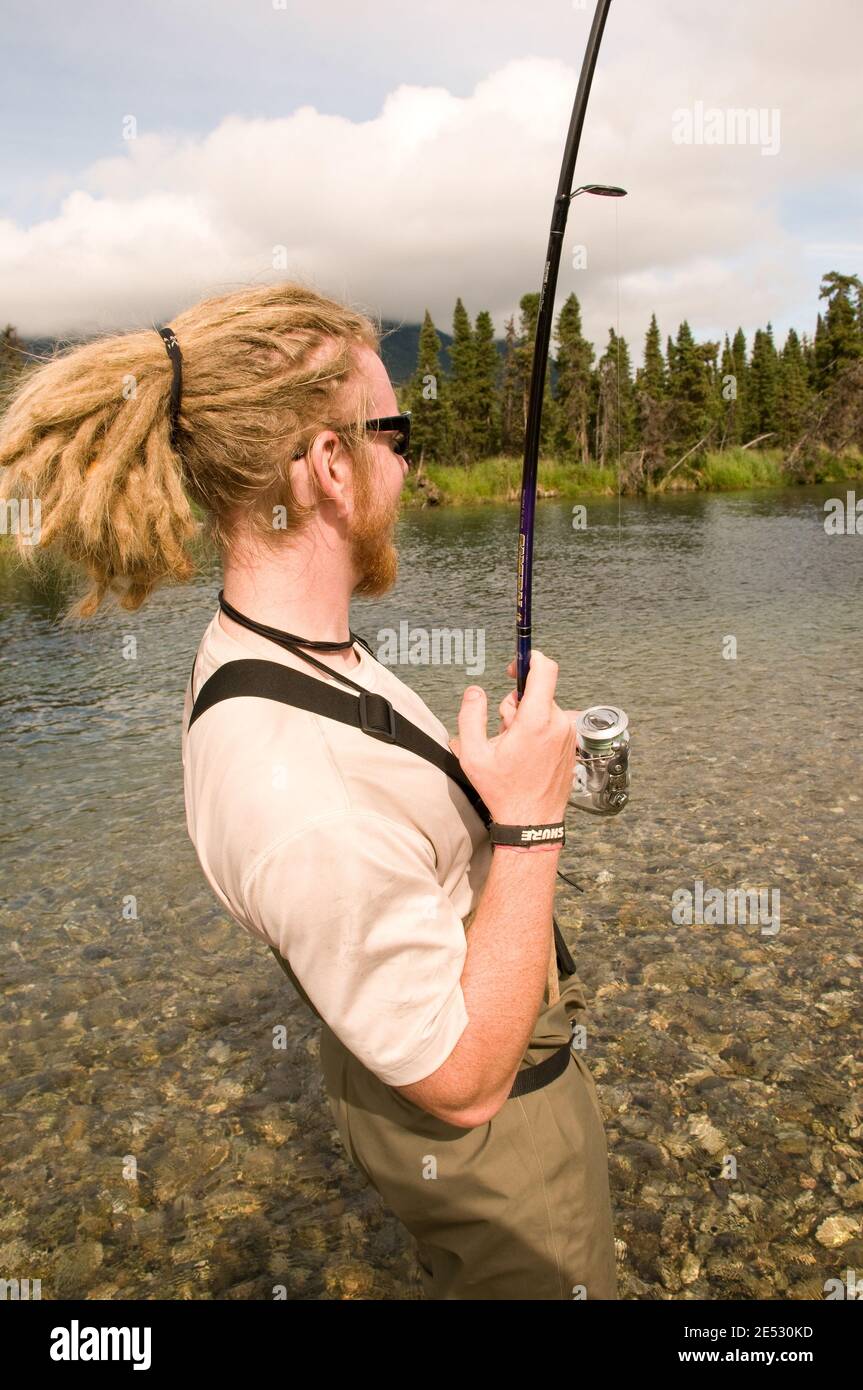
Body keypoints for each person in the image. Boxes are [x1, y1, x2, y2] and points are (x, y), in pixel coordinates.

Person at [0, 282, 617, 1300]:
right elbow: (462, 1084)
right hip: (498, 1154)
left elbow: (371, 842)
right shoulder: (297, 789)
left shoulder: (269, 647)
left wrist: (480, 793)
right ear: (329, 464)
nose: (409, 458)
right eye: (396, 430)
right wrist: (530, 821)